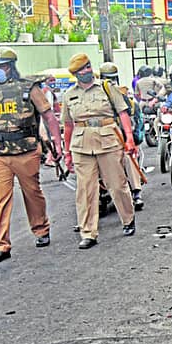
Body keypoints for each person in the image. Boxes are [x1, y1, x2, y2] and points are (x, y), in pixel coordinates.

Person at [0, 47, 62, 264]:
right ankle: (1, 245)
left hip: (25, 150)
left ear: (11, 67)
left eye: (1, 66)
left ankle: (41, 229)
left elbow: (48, 115)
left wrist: (57, 142)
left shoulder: (28, 87)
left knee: (32, 193)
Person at [62, 53, 137, 249]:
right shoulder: (69, 95)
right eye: (82, 69)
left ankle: (128, 219)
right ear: (76, 74)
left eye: (88, 66)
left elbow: (123, 113)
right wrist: (67, 152)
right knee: (85, 190)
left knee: (117, 184)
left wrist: (129, 138)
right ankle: (88, 232)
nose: (87, 71)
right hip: (81, 144)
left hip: (108, 140)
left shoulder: (107, 87)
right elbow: (68, 125)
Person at [99, 62, 145, 210]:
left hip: (121, 140)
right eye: (106, 78)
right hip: (101, 141)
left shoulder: (123, 95)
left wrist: (130, 140)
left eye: (112, 78)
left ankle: (136, 192)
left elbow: (131, 118)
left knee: (129, 158)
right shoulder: (96, 96)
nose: (110, 82)